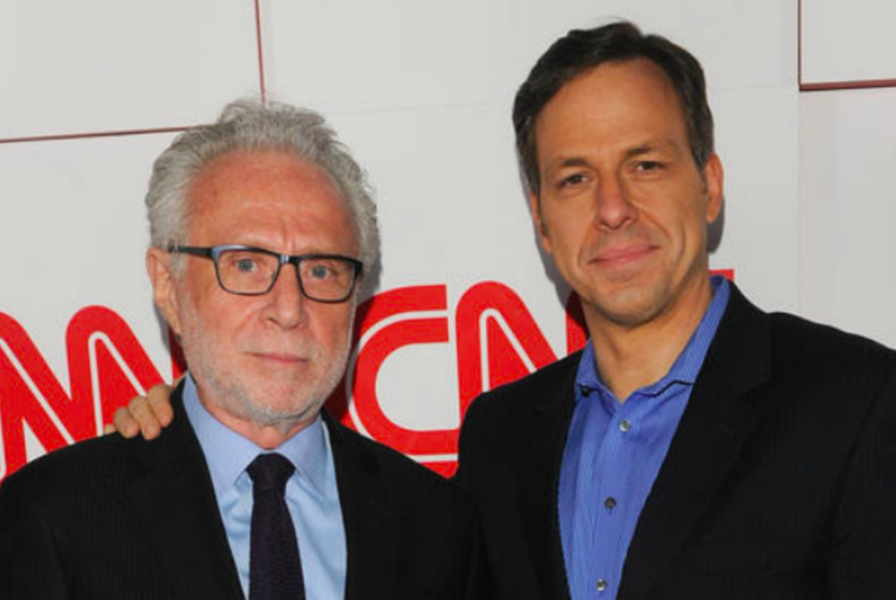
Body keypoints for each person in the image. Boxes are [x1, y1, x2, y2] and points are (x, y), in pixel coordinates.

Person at [110, 21, 896, 600]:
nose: (613, 209)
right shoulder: (503, 438)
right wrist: (188, 424)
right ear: (542, 221)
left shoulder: (856, 404)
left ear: (710, 184)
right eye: (575, 179)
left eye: (646, 165)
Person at [0, 100, 475, 600]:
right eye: (246, 265)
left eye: (321, 270)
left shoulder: (438, 524)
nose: (288, 309)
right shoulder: (55, 518)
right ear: (168, 285)